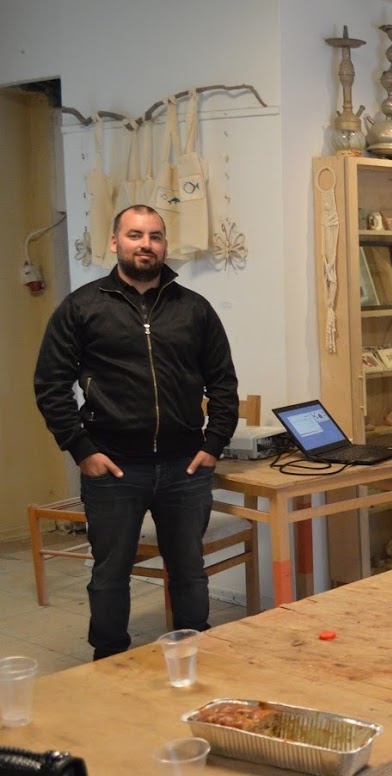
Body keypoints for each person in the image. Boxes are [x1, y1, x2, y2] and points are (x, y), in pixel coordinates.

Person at [34, 204, 240, 660]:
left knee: (189, 571)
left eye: (155, 236)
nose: (146, 244)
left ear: (164, 245)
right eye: (135, 235)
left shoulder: (195, 309)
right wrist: (81, 449)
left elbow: (223, 382)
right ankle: (109, 660)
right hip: (113, 468)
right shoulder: (82, 307)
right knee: (110, 574)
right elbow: (50, 385)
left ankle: (193, 653)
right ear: (115, 243)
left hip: (185, 467)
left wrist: (214, 443)